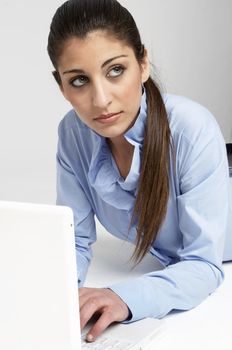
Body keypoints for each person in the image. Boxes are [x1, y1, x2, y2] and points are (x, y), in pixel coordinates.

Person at [47, 0, 230, 343]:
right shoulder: (73, 134)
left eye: (115, 70)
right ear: (61, 87)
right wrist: (53, 296)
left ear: (143, 63)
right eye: (79, 80)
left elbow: (204, 265)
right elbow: (73, 238)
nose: (101, 100)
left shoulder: (193, 128)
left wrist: (124, 298)